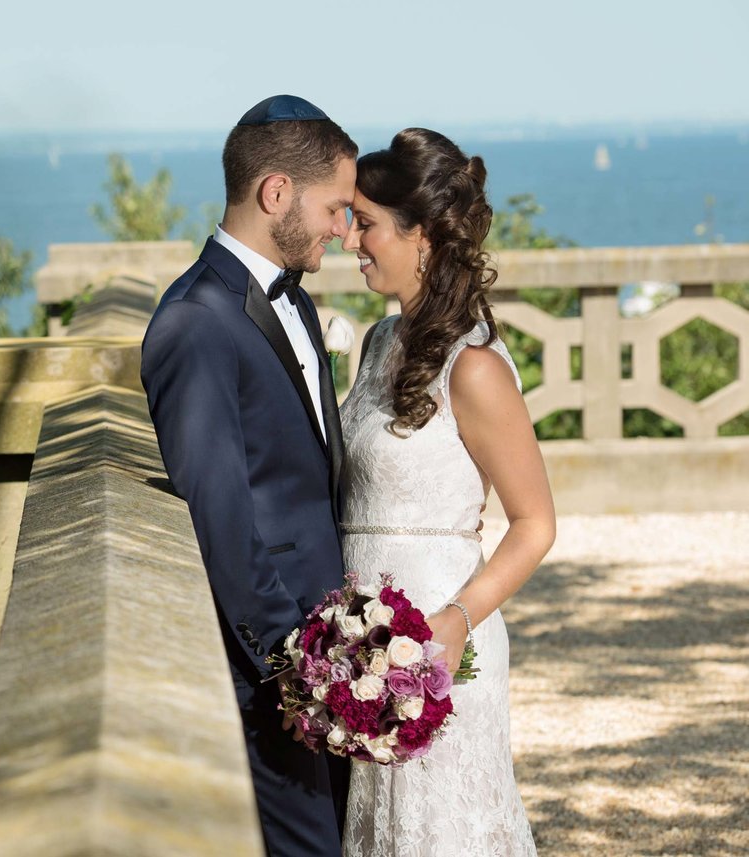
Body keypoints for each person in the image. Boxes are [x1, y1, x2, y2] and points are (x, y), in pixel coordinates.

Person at [140, 95, 357, 857]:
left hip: (335, 656)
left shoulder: (292, 300)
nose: (344, 227)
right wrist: (292, 663)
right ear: (276, 194)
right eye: (334, 207)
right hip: (277, 677)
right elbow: (220, 514)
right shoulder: (194, 322)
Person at [337, 128, 555, 856]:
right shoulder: (377, 341)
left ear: (421, 232)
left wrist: (454, 621)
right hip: (360, 652)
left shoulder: (476, 368)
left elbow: (534, 523)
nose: (349, 241)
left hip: (440, 646)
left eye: (364, 223)